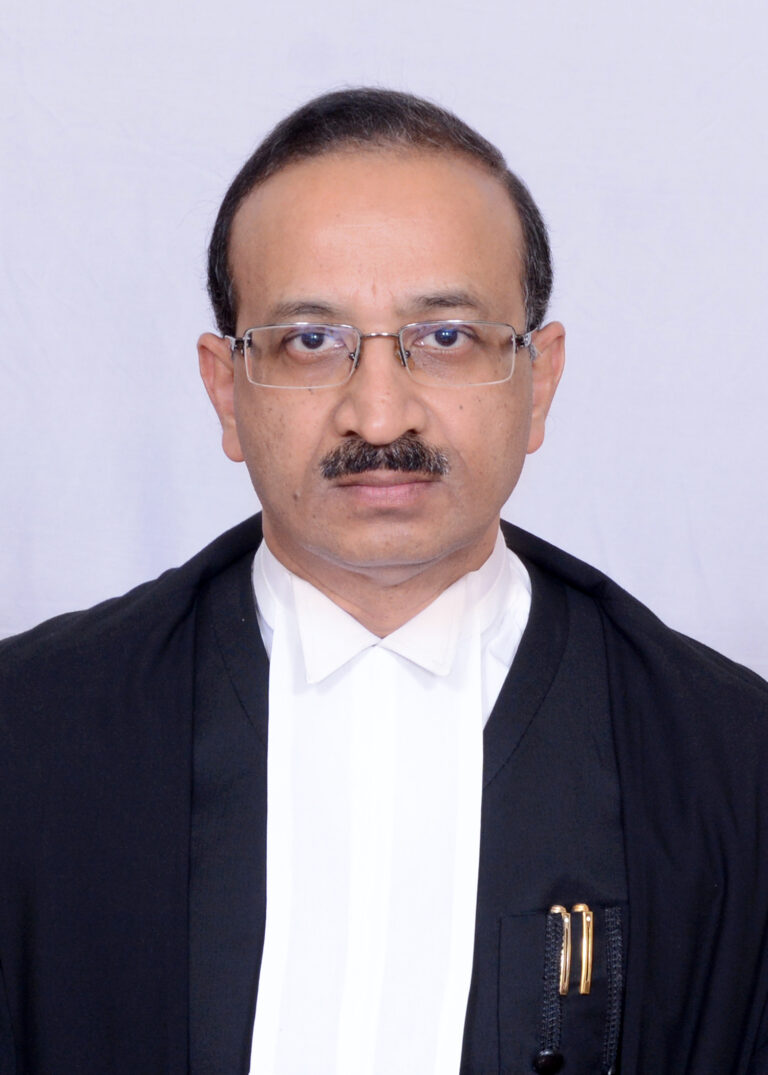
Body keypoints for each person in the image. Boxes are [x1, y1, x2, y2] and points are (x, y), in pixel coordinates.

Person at [1, 88, 767, 1075]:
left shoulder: (729, 771)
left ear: (538, 379)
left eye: (445, 337)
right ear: (226, 390)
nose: (377, 414)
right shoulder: (30, 738)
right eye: (310, 341)